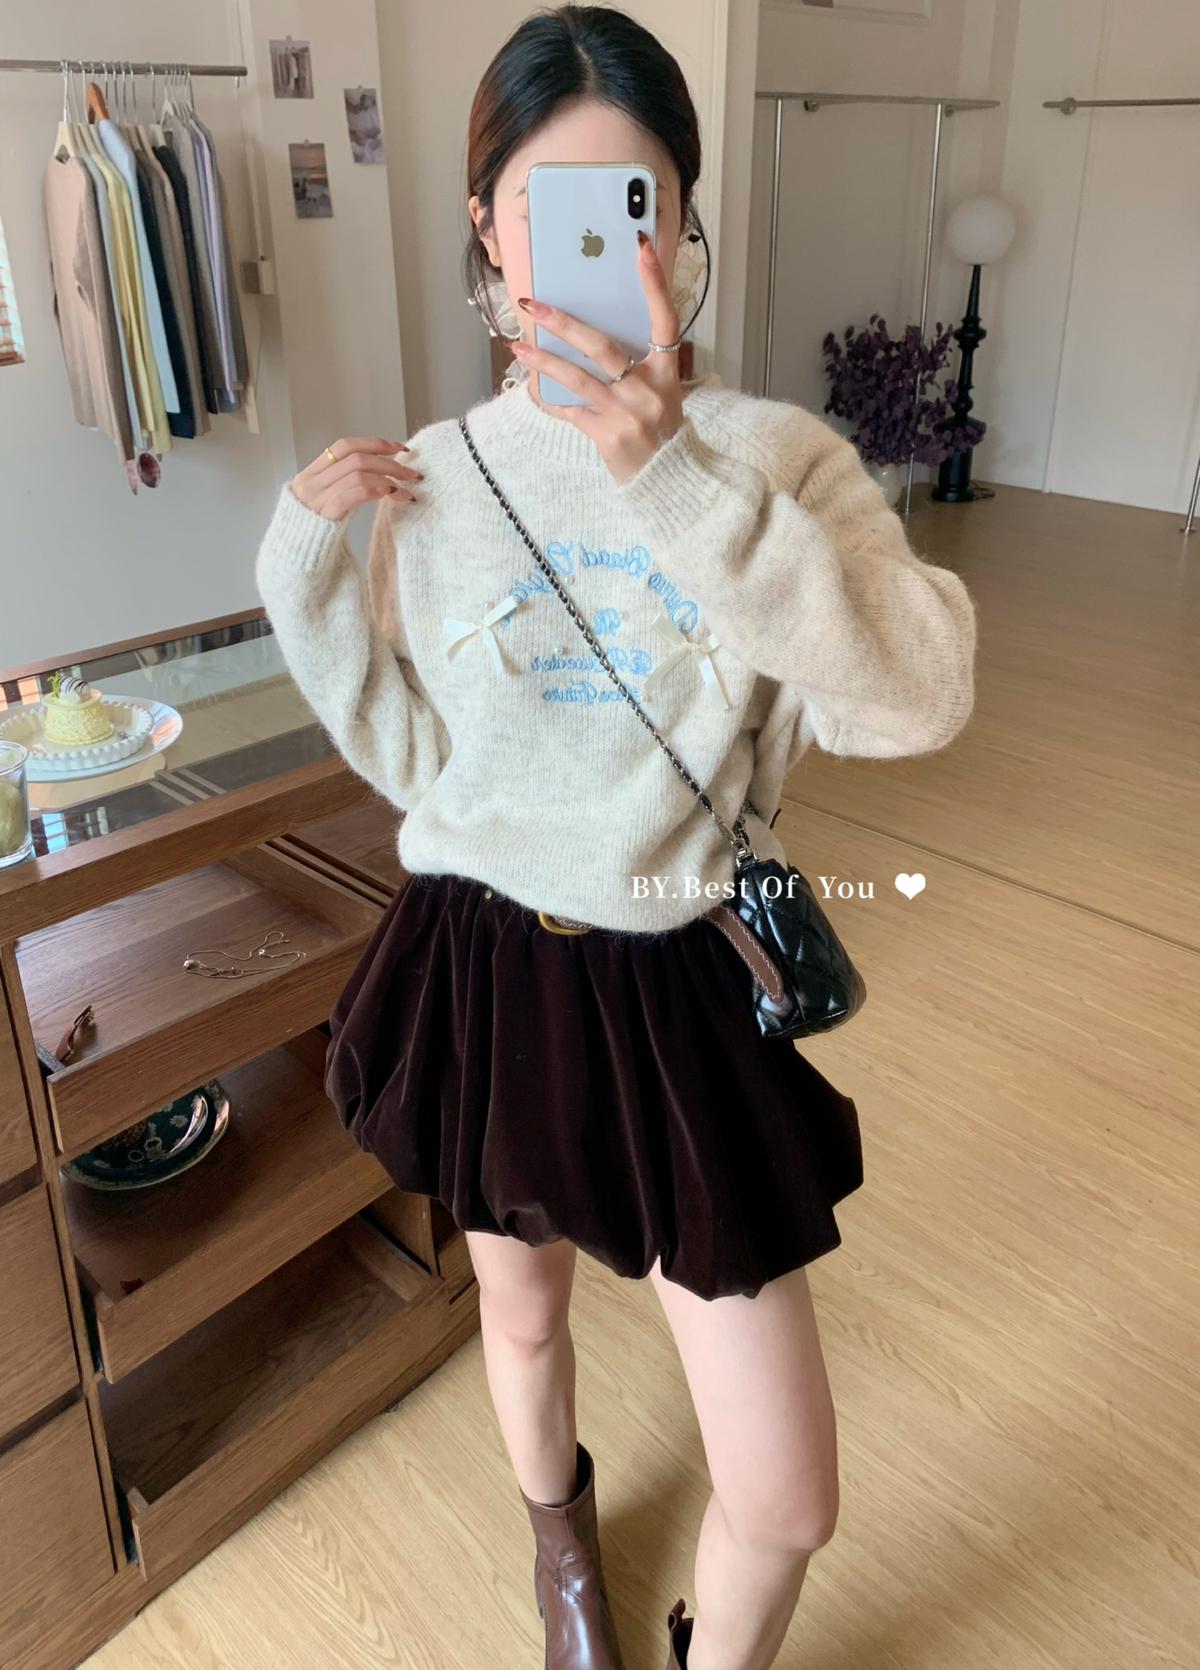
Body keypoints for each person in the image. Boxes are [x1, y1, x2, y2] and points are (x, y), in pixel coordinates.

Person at [253, 8, 978, 1667]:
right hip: (488, 965)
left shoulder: (775, 460)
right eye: (551, 208)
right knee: (519, 1315)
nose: (596, 251)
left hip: (677, 980)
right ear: (487, 233)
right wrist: (304, 572)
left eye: (634, 205)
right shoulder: (437, 479)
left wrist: (679, 491)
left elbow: (919, 695)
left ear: (683, 223)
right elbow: (417, 758)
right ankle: (562, 1552)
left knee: (786, 1494)